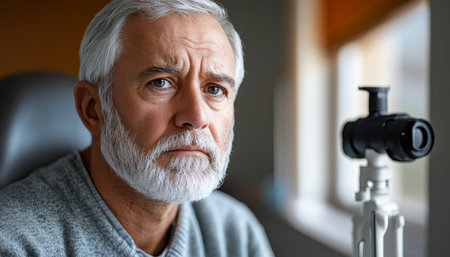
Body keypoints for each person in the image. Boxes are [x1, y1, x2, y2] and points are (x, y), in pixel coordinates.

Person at [0, 0, 274, 256]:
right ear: (93, 109)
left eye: (214, 89)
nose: (196, 116)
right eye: (161, 83)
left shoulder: (236, 234)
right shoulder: (14, 241)